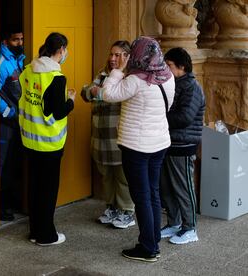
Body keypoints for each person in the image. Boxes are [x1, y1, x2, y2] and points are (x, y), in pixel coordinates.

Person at [91, 36, 175, 262]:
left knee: (142, 196)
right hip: (159, 144)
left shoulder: (136, 80)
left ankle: (148, 247)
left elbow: (108, 94)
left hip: (136, 147)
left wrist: (118, 71)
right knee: (153, 193)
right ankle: (153, 239)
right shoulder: (167, 77)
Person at [18, 32, 76, 246]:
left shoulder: (28, 71)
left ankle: (35, 231)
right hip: (50, 144)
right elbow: (58, 112)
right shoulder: (56, 77)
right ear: (60, 50)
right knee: (48, 191)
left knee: (34, 187)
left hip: (30, 140)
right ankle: (46, 236)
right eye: (65, 50)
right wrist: (71, 101)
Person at [81, 40, 135, 229]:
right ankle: (111, 207)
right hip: (100, 136)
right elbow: (87, 91)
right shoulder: (103, 74)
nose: (113, 58)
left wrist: (99, 92)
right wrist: (93, 90)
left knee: (123, 177)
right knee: (106, 175)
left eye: (118, 55)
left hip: (119, 137)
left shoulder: (131, 77)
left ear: (127, 57)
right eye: (111, 54)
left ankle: (127, 211)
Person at [159, 47, 205, 244]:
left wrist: (159, 117)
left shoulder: (192, 87)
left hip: (183, 145)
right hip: (168, 143)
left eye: (169, 66)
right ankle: (173, 223)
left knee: (183, 187)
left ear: (182, 67)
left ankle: (190, 227)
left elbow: (185, 117)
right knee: (167, 187)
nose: (166, 70)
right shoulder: (173, 85)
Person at [0, 28, 25, 221]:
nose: (20, 43)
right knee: (4, 163)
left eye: (22, 39)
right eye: (16, 40)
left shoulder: (20, 60)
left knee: (15, 163)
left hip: (20, 122)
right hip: (6, 122)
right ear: (6, 42)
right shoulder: (1, 62)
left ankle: (13, 202)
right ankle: (1, 206)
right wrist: (8, 113)